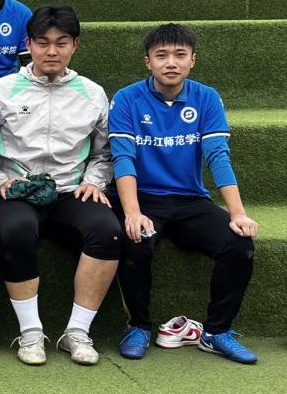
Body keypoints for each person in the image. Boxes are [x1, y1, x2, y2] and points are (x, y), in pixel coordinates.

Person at [111, 24, 259, 364]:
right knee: (133, 240)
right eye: (161, 55)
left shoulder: (206, 97)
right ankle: (138, 326)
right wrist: (132, 212)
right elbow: (123, 158)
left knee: (238, 245)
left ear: (193, 60)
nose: (171, 63)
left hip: (191, 200)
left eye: (180, 55)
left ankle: (217, 332)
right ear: (147, 61)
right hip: (144, 198)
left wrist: (237, 213)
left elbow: (217, 156)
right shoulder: (127, 98)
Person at [0, 5, 121, 366]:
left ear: (75, 45)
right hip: (18, 190)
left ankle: (77, 332)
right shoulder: (0, 91)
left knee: (108, 231)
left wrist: (93, 182)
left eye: (61, 43)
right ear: (28, 44)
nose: (51, 51)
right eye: (42, 43)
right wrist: (1, 181)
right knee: (16, 229)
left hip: (70, 190)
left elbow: (104, 152)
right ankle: (30, 332)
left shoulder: (92, 93)